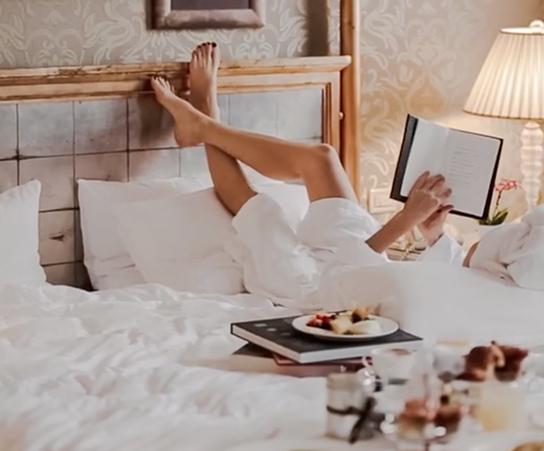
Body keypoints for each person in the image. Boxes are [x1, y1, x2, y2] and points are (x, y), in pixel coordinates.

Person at [151, 43, 471, 302]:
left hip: (317, 289)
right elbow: (452, 277)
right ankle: (203, 125)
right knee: (322, 158)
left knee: (258, 211)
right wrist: (434, 235)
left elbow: (343, 282)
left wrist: (406, 220)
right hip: (362, 257)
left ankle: (207, 112)